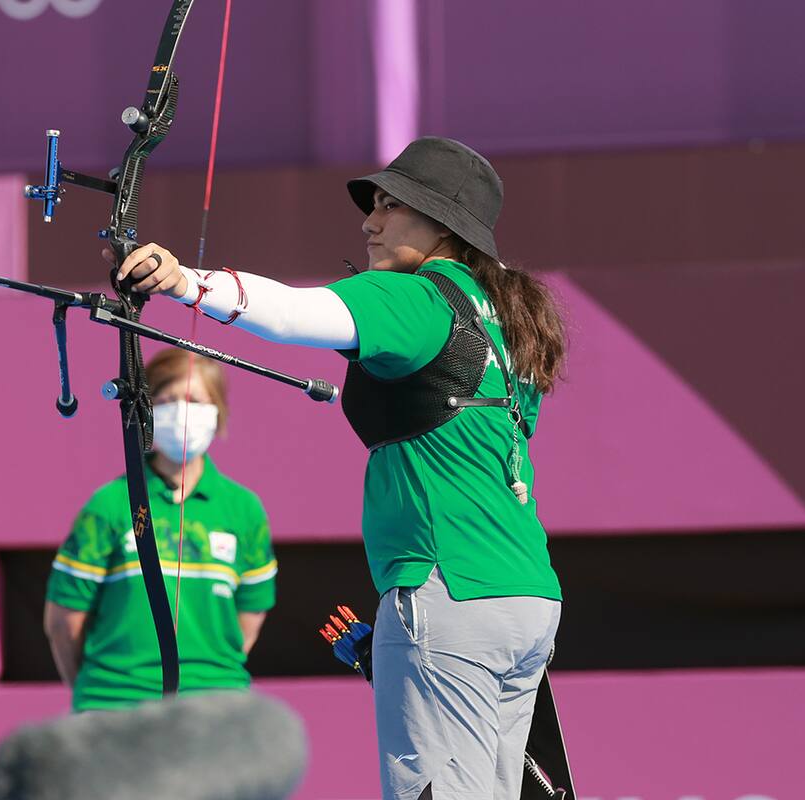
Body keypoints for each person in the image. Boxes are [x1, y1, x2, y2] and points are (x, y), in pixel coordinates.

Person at [111, 137, 567, 800]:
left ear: (444, 226)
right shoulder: (505, 318)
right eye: (374, 205)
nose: (370, 221)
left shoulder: (420, 300)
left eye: (392, 207)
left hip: (450, 589)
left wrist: (185, 284)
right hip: (525, 598)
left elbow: (296, 314)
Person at [44, 348, 277, 711]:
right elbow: (63, 621)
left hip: (217, 709)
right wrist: (101, 693)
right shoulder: (108, 504)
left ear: (217, 411)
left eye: (194, 400)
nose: (182, 412)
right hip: (116, 705)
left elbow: (251, 616)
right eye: (166, 399)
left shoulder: (245, 509)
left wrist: (207, 678)